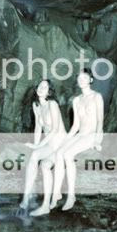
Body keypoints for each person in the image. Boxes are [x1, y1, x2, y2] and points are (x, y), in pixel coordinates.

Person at [51, 69, 104, 211]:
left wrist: (97, 141)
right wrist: (65, 140)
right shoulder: (76, 100)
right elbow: (75, 126)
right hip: (80, 134)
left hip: (91, 134)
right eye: (79, 78)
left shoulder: (97, 96)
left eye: (84, 77)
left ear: (90, 80)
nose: (81, 80)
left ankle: (71, 196)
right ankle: (56, 193)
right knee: (59, 152)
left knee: (68, 154)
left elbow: (100, 121)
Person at [19, 79, 67, 216]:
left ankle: (27, 198)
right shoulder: (36, 105)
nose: (41, 88)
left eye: (45, 87)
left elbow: (55, 129)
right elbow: (38, 128)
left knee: (37, 157)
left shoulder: (52, 104)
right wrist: (36, 146)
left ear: (49, 92)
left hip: (61, 144)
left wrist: (38, 145)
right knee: (44, 165)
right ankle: (43, 205)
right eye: (40, 86)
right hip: (50, 144)